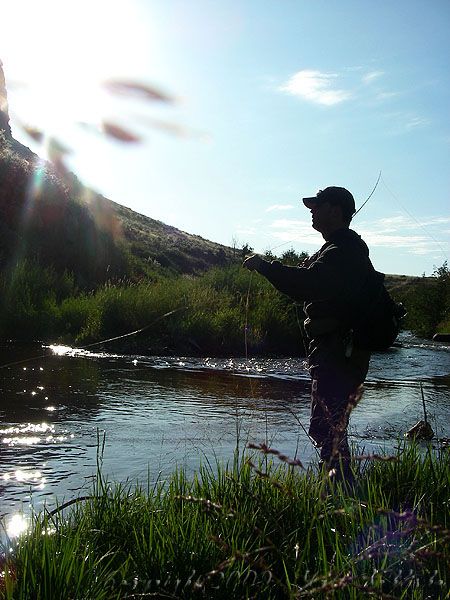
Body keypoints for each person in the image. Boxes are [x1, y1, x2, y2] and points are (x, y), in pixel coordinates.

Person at [243, 186, 374, 481]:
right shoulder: (339, 249)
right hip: (339, 351)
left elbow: (308, 284)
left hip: (340, 353)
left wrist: (265, 267)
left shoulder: (343, 251)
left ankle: (340, 492)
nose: (312, 211)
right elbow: (313, 282)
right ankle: (339, 487)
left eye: (318, 205)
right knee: (329, 425)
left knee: (326, 426)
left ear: (336, 211)